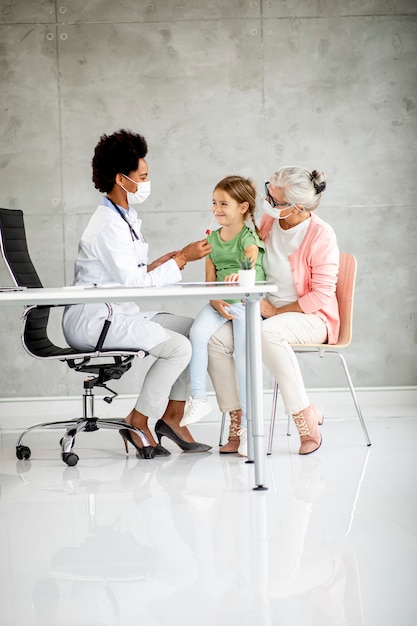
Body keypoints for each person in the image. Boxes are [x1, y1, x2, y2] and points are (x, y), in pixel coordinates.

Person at [62, 129, 212, 457]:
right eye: (142, 176)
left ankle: (172, 418)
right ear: (121, 179)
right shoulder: (107, 226)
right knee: (178, 348)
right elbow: (133, 283)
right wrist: (184, 258)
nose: (147, 182)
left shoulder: (124, 217)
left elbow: (130, 275)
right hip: (94, 320)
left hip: (116, 311)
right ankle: (139, 420)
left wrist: (164, 262)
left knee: (193, 330)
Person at [207, 166, 340, 455]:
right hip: (264, 312)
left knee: (267, 333)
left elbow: (321, 295)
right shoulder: (269, 221)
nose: (267, 202)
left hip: (310, 318)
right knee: (216, 340)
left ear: (298, 206)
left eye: (276, 201)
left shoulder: (321, 235)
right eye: (269, 192)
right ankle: (238, 421)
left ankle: (304, 418)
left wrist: (276, 312)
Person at [179, 176, 265, 458]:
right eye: (214, 203)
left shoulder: (248, 238)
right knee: (197, 335)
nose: (216, 208)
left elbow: (251, 269)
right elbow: (209, 281)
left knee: (243, 360)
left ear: (243, 207)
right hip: (221, 304)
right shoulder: (211, 239)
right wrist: (215, 299)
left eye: (223, 204)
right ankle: (199, 397)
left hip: (244, 303)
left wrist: (239, 277)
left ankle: (251, 429)